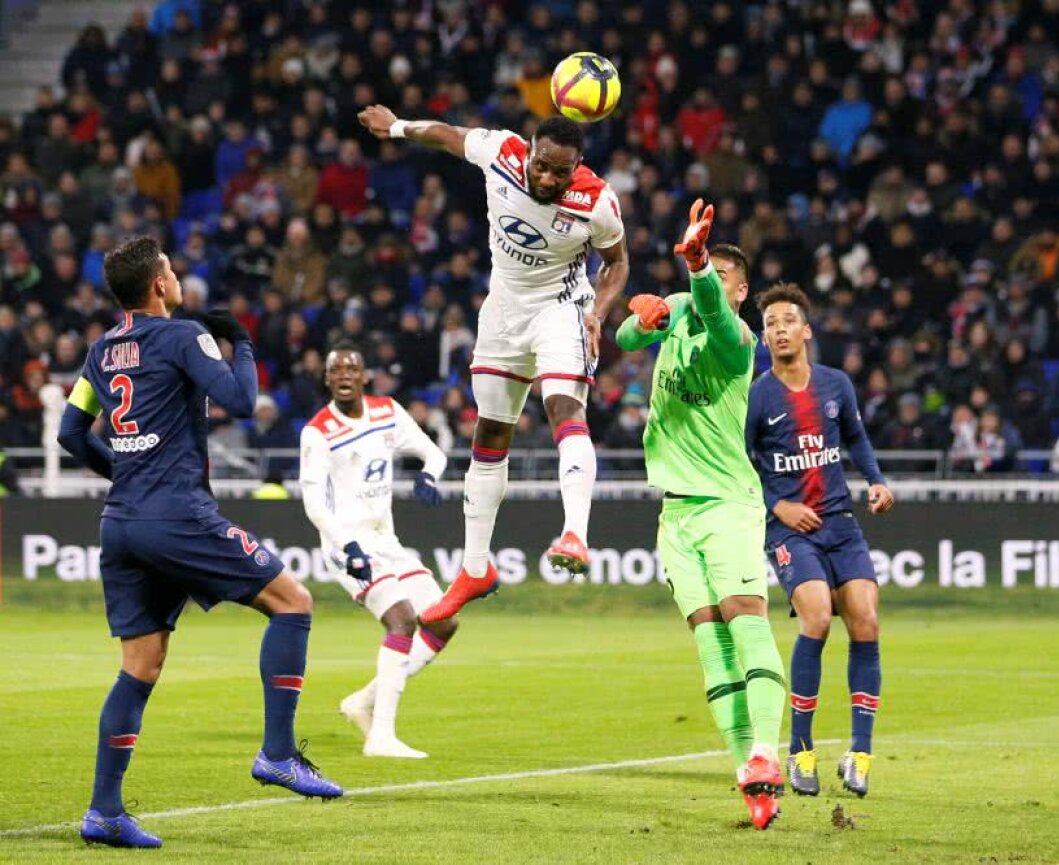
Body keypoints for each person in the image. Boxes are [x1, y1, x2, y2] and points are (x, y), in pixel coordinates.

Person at [56, 237, 342, 849]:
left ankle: (104, 812)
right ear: (158, 284)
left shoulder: (100, 352)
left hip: (122, 521)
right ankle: (278, 752)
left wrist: (126, 472)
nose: (179, 277)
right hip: (177, 513)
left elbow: (69, 433)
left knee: (140, 666)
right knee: (293, 602)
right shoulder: (184, 336)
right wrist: (238, 343)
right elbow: (240, 399)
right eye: (171, 270)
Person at [357, 104, 630, 621]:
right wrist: (395, 127)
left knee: (562, 406)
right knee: (489, 437)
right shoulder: (500, 153)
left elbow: (617, 261)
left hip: (561, 309)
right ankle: (475, 567)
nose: (548, 177)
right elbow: (444, 135)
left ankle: (574, 532)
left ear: (578, 166)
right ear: (529, 149)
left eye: (560, 171)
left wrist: (597, 311)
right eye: (542, 164)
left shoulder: (597, 200)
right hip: (503, 313)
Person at [615, 200, 786, 831]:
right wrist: (643, 318)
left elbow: (710, 308)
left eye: (716, 272)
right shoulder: (685, 309)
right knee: (712, 646)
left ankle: (766, 744)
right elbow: (628, 337)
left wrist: (695, 273)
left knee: (745, 622)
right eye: (699, 264)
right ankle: (753, 776)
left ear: (740, 290)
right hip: (675, 515)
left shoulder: (739, 339)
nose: (704, 280)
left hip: (727, 505)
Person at [745, 281, 895, 799]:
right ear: (764, 339)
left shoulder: (836, 385)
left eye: (787, 321)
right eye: (770, 325)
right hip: (790, 528)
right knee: (815, 616)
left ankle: (860, 754)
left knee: (867, 620)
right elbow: (739, 462)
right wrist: (777, 504)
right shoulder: (758, 393)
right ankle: (801, 750)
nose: (779, 330)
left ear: (806, 330)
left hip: (840, 523)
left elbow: (855, 437)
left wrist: (875, 479)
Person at [298, 346, 454, 758]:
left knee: (443, 621)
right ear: (328, 379)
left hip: (386, 539)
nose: (345, 374)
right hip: (345, 544)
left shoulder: (387, 411)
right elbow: (313, 502)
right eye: (336, 370)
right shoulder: (318, 431)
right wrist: (346, 544)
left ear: (365, 376)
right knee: (401, 621)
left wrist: (428, 478)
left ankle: (363, 702)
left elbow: (433, 453)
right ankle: (381, 736)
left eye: (352, 368)